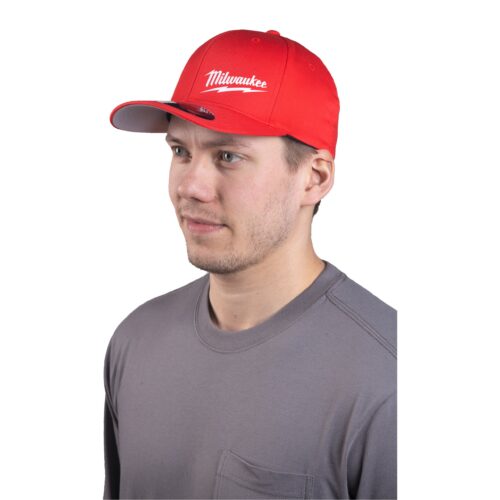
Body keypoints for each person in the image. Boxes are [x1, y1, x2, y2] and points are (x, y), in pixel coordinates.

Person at [103, 29, 397, 500]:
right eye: (180, 151)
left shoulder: (387, 379)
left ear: (314, 178)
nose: (190, 186)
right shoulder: (136, 341)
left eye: (228, 156)